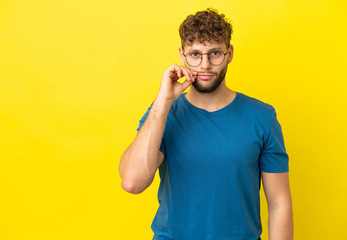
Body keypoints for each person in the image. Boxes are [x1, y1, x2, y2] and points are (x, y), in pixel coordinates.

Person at [119, 8, 293, 240]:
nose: (205, 65)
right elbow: (132, 182)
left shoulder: (262, 117)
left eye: (214, 53)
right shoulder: (162, 114)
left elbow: (279, 203)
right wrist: (163, 101)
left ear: (229, 53)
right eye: (195, 54)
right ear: (182, 55)